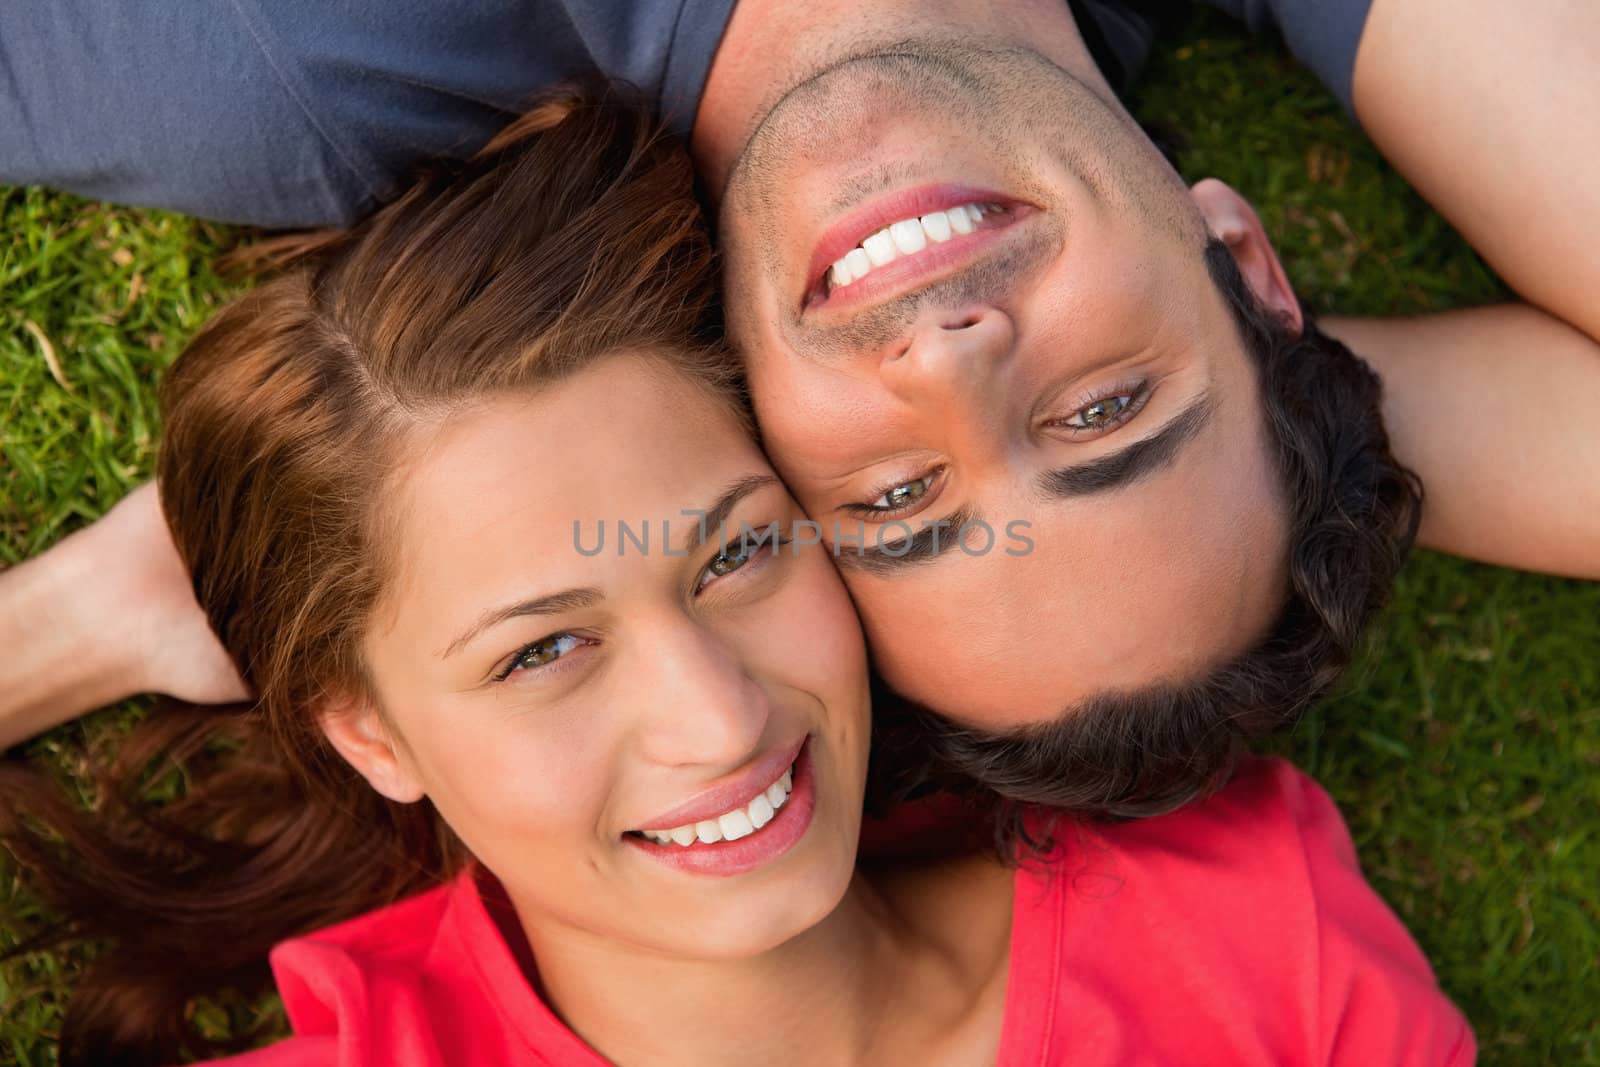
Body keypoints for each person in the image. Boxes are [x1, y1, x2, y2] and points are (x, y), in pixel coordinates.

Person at [0, 87, 1473, 1067]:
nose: (717, 721)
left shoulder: (1245, 932)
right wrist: (64, 629)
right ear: (368, 733)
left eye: (741, 553)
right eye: (539, 652)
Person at [2, 1, 1597, 795]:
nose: (952, 361)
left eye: (897, 501)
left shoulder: (257, 69)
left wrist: (80, 622)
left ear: (749, 431)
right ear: (1243, 257)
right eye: (1107, 410)